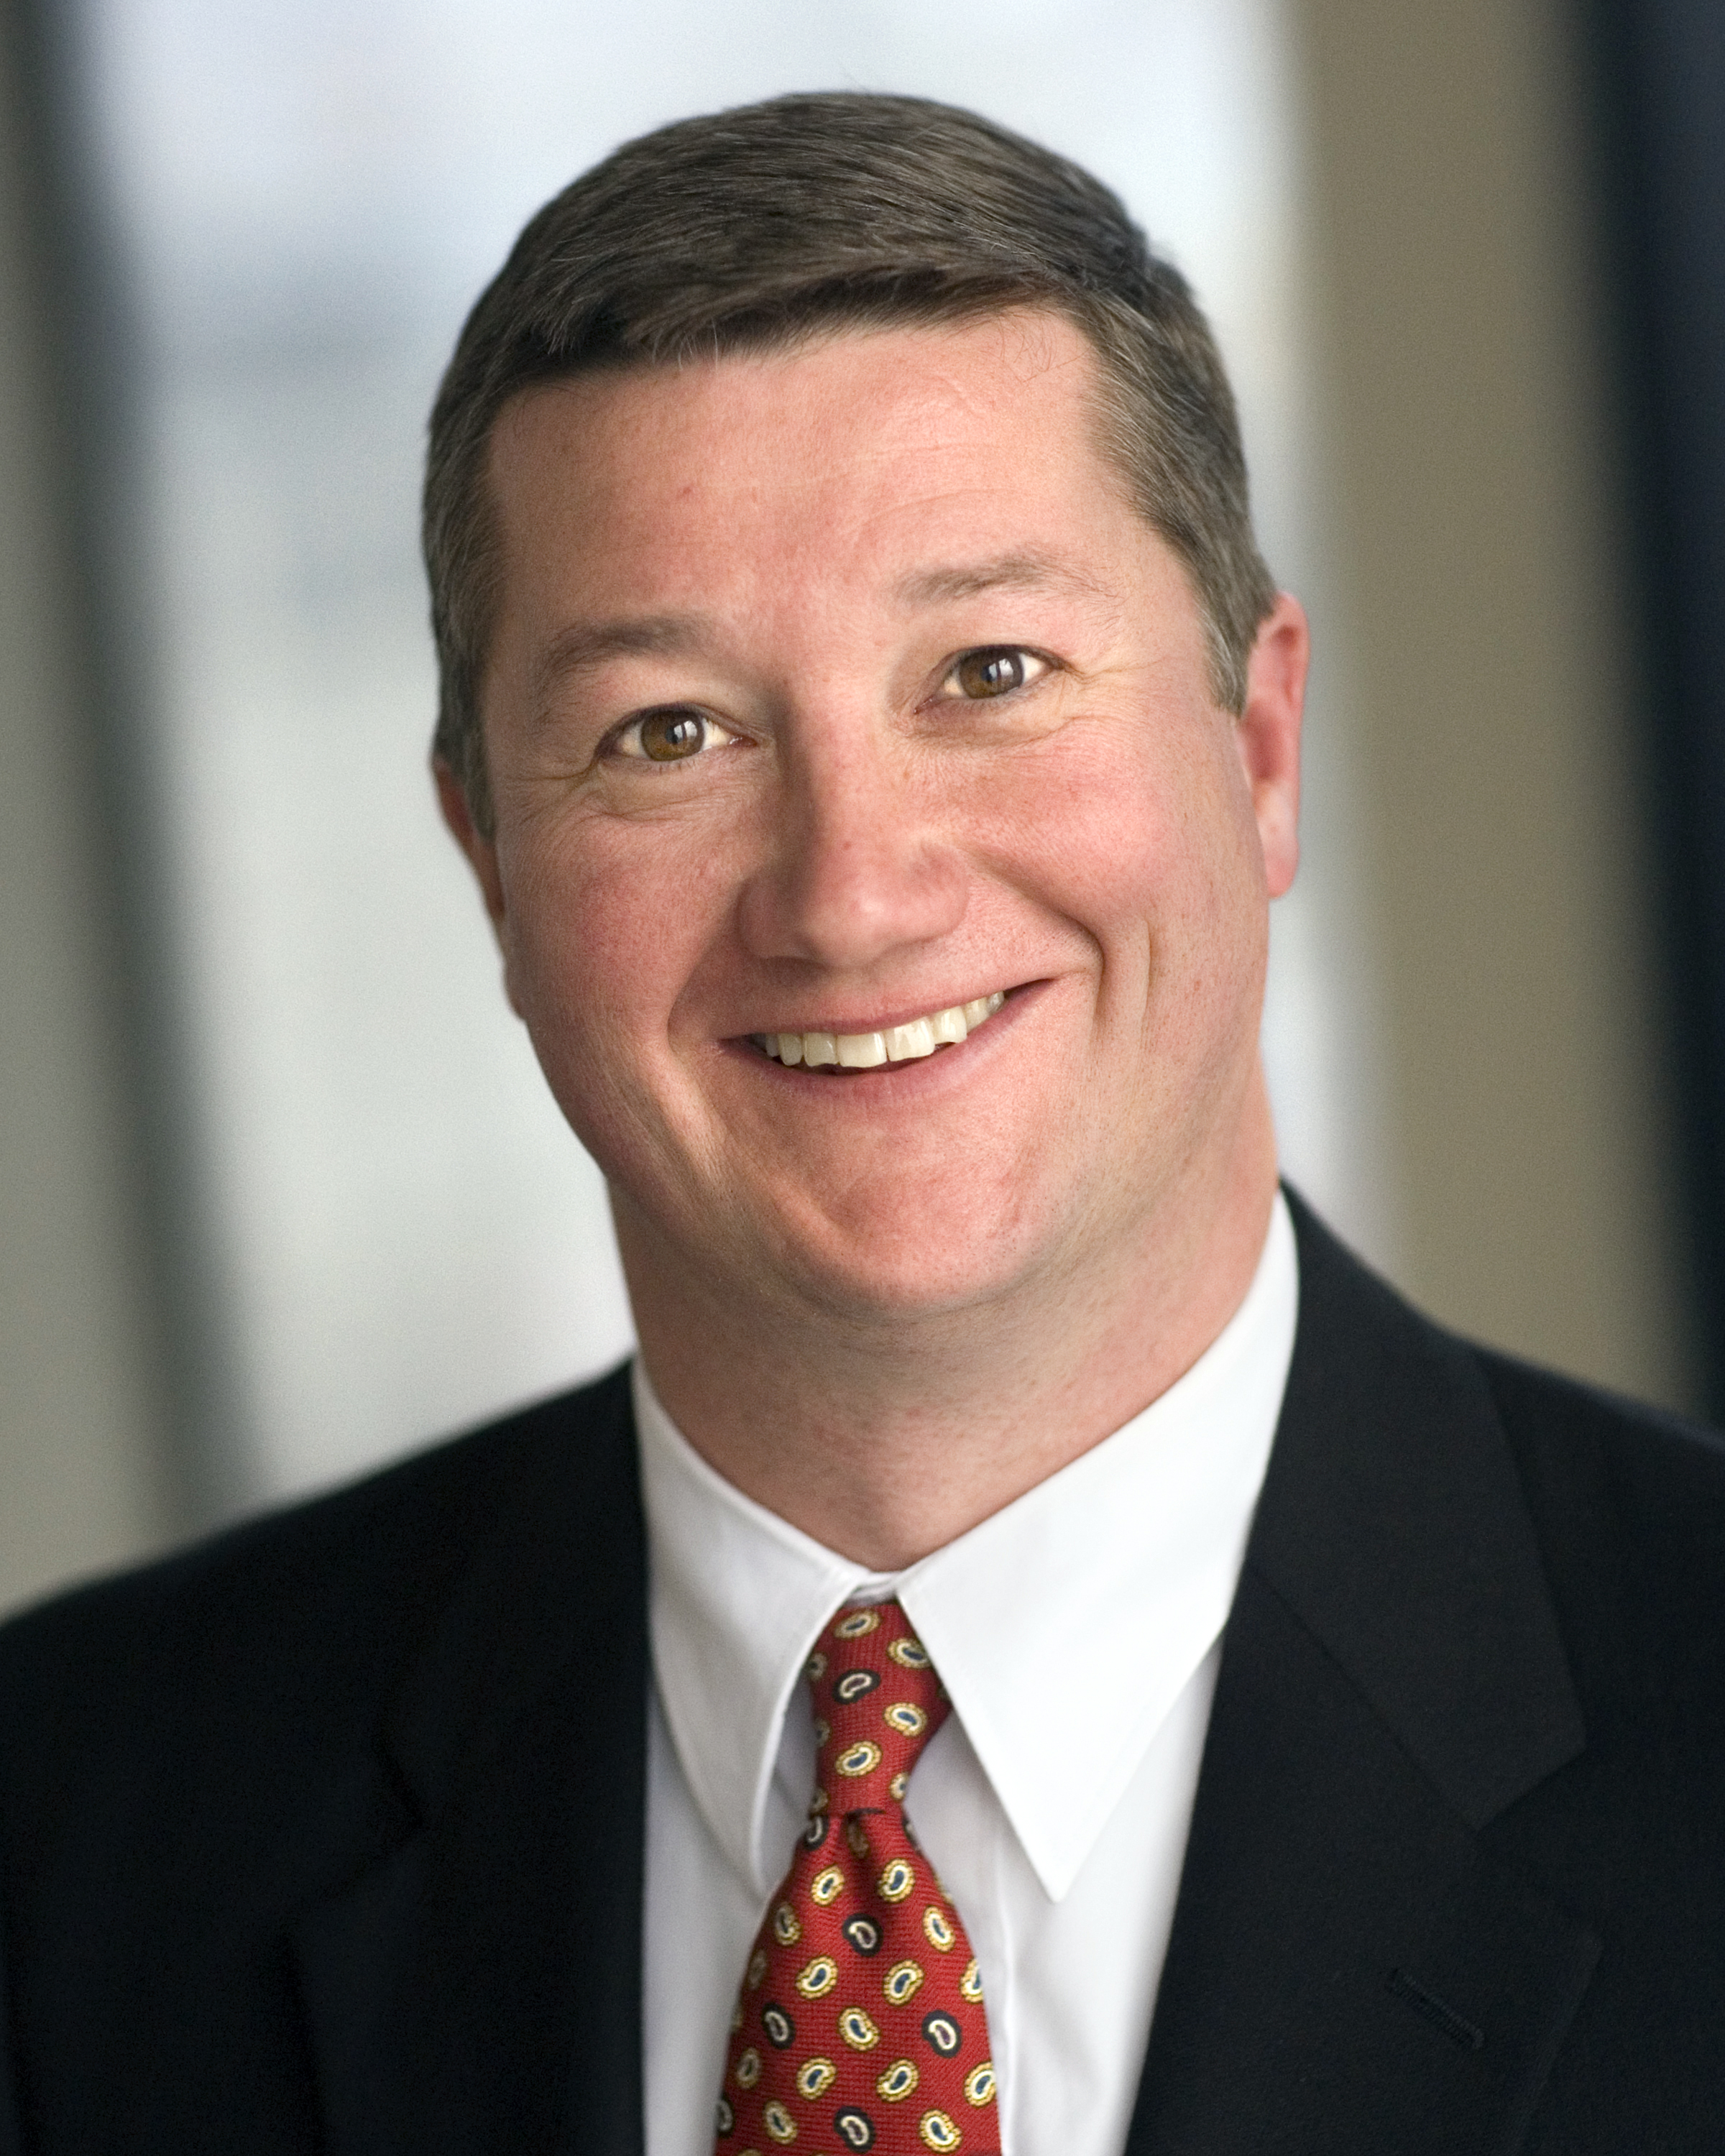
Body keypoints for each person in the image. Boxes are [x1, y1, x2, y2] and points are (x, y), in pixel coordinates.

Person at [3, 91, 1724, 2156]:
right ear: (488, 867)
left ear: (1260, 748)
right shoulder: (68, 1834)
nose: (849, 893)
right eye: (667, 733)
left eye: (988, 671)